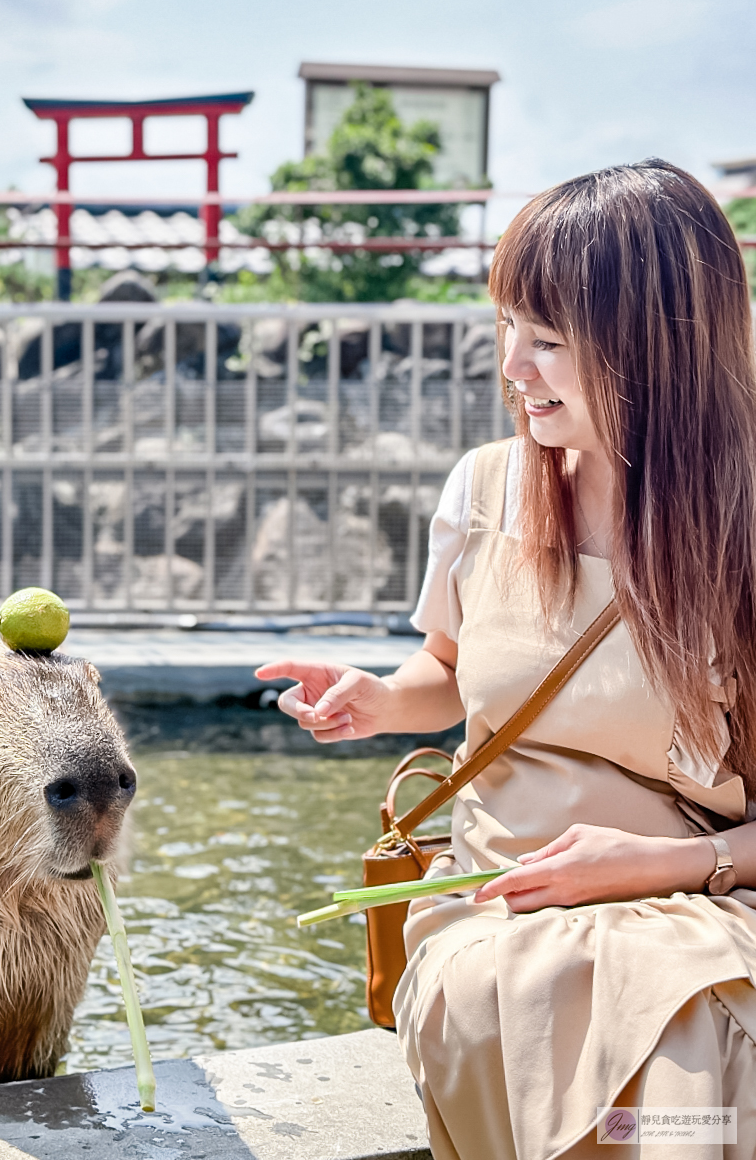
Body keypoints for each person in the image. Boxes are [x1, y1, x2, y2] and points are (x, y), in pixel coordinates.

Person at [257, 159, 756, 1160]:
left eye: (548, 341)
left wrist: (667, 863)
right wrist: (379, 698)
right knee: (514, 996)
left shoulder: (741, 531)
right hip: (502, 892)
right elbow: (446, 674)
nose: (511, 369)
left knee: (691, 1076)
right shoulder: (486, 489)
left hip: (695, 898)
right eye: (506, 331)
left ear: (655, 350)